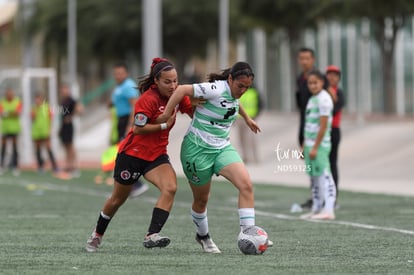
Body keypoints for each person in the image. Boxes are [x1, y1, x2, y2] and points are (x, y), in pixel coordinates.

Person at [158, 61, 273, 253]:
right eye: (240, 86)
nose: (243, 90)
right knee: (202, 200)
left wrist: (247, 118)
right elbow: (181, 90)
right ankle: (203, 236)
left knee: (246, 185)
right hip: (196, 151)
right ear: (229, 79)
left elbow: (234, 101)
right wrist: (166, 114)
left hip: (221, 148)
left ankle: (248, 233)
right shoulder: (214, 89)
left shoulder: (234, 92)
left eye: (247, 87)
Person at [85, 57, 195, 252]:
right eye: (167, 82)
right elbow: (138, 129)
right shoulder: (148, 99)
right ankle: (97, 234)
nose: (173, 86)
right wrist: (163, 124)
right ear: (156, 81)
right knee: (117, 200)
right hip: (132, 155)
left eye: (175, 81)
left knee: (170, 188)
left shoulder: (178, 96)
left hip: (157, 156)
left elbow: (193, 111)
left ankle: (152, 235)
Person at [300, 70, 336, 220]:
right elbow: (308, 124)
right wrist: (304, 146)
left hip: (320, 145)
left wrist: (315, 147)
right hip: (309, 144)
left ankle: (329, 210)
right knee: (313, 177)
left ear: (322, 82)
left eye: (315, 82)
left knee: (325, 175)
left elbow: (323, 126)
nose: (313, 85)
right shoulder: (312, 99)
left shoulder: (324, 99)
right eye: (310, 83)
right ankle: (316, 208)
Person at [111, 61, 148, 197]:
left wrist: (130, 124)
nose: (118, 76)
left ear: (126, 73)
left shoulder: (127, 86)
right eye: (116, 74)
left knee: (125, 153)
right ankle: (128, 185)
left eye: (120, 73)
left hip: (127, 120)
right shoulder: (119, 87)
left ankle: (137, 184)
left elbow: (134, 105)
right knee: (122, 152)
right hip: (120, 120)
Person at [325, 65, 345, 203]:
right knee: (319, 165)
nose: (332, 77)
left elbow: (333, 109)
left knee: (332, 163)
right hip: (319, 131)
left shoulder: (339, 93)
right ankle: (319, 195)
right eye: (329, 74)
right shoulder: (320, 93)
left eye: (335, 75)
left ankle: (333, 197)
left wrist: (331, 92)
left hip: (333, 131)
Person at [58, 84, 83, 177]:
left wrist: (71, 116)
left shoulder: (71, 100)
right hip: (63, 126)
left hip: (69, 126)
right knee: (65, 146)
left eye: (65, 89)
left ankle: (75, 166)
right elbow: (62, 116)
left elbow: (80, 109)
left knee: (70, 146)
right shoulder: (63, 101)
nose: (63, 91)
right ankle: (68, 166)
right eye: (62, 90)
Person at [31, 93, 58, 173]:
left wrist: (49, 130)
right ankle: (40, 166)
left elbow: (51, 119)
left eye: (38, 99)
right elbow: (32, 118)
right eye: (36, 99)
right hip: (36, 131)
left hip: (45, 131)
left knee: (48, 148)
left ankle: (54, 166)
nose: (37, 101)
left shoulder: (47, 107)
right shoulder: (33, 108)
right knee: (37, 149)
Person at [235, 86, 262, 164]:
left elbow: (260, 104)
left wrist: (256, 115)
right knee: (241, 139)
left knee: (250, 139)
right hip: (240, 118)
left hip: (251, 117)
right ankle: (245, 157)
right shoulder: (239, 91)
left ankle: (254, 157)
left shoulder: (254, 91)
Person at [0, 88, 22, 176]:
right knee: (3, 148)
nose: (9, 95)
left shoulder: (17, 101)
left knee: (15, 148)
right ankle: (2, 166)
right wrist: (11, 113)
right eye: (8, 94)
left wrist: (7, 113)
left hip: (14, 129)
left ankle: (15, 166)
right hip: (5, 129)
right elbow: (1, 113)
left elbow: (17, 113)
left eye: (10, 93)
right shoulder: (2, 102)